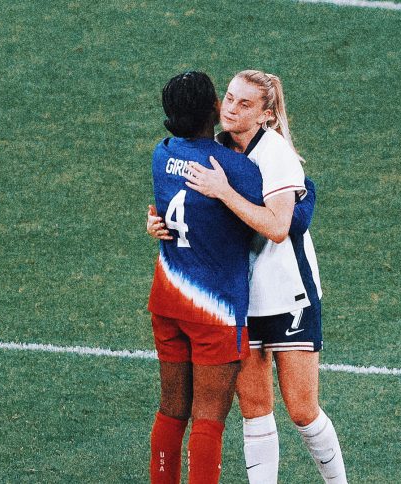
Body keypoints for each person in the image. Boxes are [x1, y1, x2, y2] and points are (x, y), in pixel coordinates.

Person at [148, 70, 347, 484]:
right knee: (254, 409)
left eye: (244, 103)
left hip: (289, 294)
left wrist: (225, 192)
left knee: (302, 410)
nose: (231, 109)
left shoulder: (275, 156)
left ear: (266, 115)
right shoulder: (221, 149)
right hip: (242, 298)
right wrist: (158, 220)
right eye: (230, 98)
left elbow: (278, 226)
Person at [148, 71, 266, 484]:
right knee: (209, 417)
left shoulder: (161, 154)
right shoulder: (234, 168)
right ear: (214, 109)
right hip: (215, 310)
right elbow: (282, 222)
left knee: (171, 409)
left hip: (167, 300)